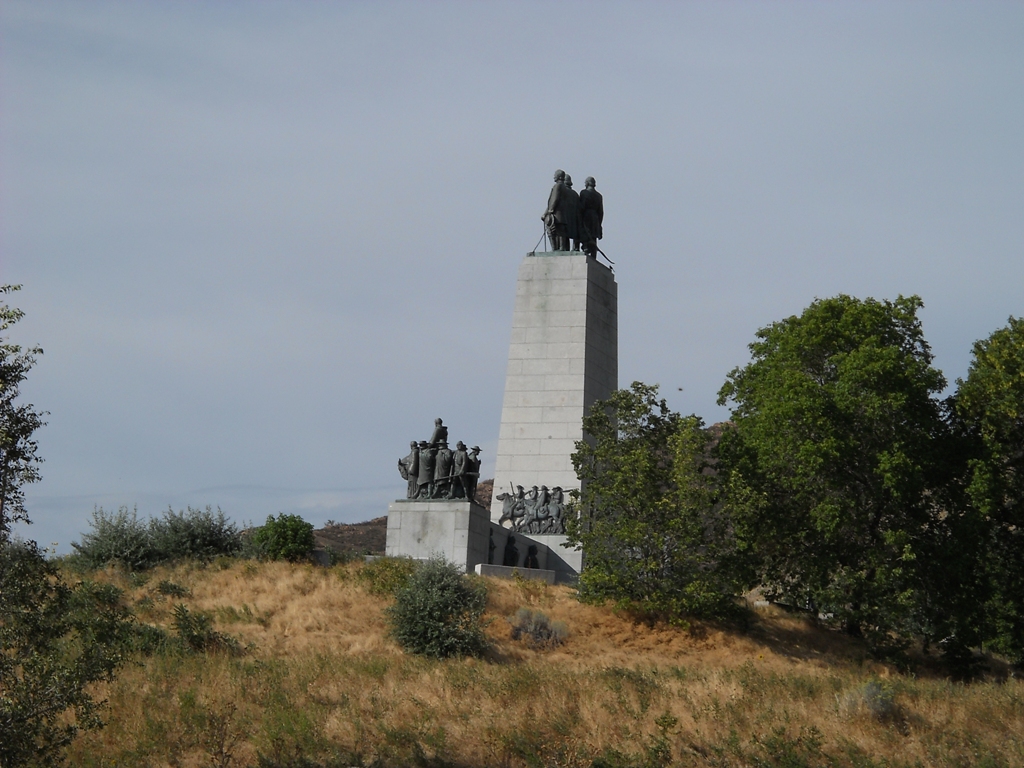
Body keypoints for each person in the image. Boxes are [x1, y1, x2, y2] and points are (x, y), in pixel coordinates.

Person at [542, 169, 569, 250]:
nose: (554, 176)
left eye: (555, 175)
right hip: (562, 212)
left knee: (552, 231)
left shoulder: (557, 186)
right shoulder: (565, 187)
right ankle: (561, 247)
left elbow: (554, 199)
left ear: (559, 176)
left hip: (556, 213)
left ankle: (555, 248)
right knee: (561, 231)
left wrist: (549, 211)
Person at [579, 176, 604, 259]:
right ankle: (593, 255)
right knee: (593, 237)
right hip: (595, 218)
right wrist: (599, 223)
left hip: (586, 216)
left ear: (587, 183)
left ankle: (585, 249)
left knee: (586, 233)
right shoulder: (599, 196)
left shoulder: (584, 193)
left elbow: (582, 206)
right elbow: (601, 212)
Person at [563, 174, 582, 251]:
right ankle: (575, 248)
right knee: (574, 233)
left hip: (565, 217)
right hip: (574, 218)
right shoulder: (575, 194)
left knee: (565, 234)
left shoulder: (562, 192)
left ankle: (565, 249)